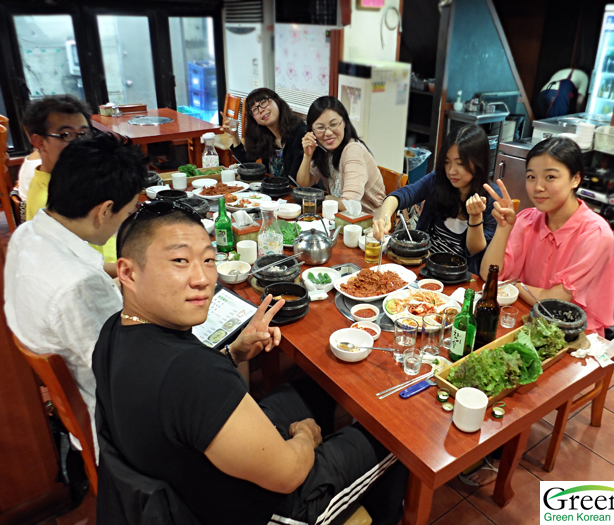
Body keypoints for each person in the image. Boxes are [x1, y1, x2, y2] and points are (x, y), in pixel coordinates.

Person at [93, 204, 408, 525]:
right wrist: (305, 438)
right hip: (269, 509)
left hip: (197, 483)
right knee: (395, 436)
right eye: (179, 261)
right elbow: (290, 474)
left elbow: (187, 402)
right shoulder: (190, 373)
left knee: (311, 390)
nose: (202, 278)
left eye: (208, 259)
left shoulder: (113, 332)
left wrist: (235, 353)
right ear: (128, 272)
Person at [4, 133, 146, 453]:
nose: (126, 221)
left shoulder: (29, 233)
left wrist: (128, 269)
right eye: (128, 214)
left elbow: (92, 266)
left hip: (84, 387)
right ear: (104, 210)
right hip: (117, 428)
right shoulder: (79, 288)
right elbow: (130, 372)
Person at [480, 136, 614, 335]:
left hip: (573, 337)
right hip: (527, 320)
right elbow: (489, 276)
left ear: (575, 179)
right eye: (531, 177)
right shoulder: (526, 219)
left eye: (550, 177)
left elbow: (555, 301)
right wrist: (503, 229)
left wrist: (514, 285)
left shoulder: (595, 235)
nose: (537, 187)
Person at [373, 125, 501, 275]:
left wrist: (475, 217)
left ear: (478, 162)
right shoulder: (438, 180)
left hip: (461, 278)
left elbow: (475, 251)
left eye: (460, 163)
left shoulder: (492, 197)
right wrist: (384, 219)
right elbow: (401, 195)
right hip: (424, 268)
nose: (451, 171)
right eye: (447, 162)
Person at [21, 95, 119, 275]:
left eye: (83, 133)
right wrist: (130, 269)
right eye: (66, 135)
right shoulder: (50, 204)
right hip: (102, 280)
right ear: (39, 142)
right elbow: (79, 268)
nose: (80, 143)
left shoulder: (68, 178)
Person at [297, 96, 386, 218]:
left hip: (368, 225)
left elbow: (350, 205)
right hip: (340, 220)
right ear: (311, 131)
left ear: (344, 122)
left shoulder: (353, 150)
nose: (328, 133)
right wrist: (307, 155)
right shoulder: (325, 151)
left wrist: (328, 198)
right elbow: (304, 185)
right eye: (320, 127)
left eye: (333, 124)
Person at [222, 88, 307, 182]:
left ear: (277, 101)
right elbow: (249, 165)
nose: (261, 110)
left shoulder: (300, 133)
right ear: (255, 119)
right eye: (255, 109)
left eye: (263, 102)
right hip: (274, 191)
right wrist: (234, 136)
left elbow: (294, 179)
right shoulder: (265, 135)